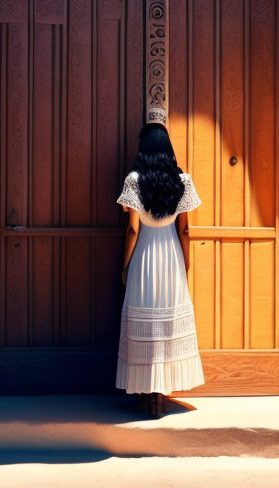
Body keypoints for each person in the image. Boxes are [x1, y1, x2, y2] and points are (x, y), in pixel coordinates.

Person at [115, 122, 205, 416]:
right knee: (166, 323)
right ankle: (161, 394)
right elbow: (186, 231)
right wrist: (186, 263)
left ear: (143, 147)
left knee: (144, 323)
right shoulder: (182, 181)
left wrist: (125, 266)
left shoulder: (133, 181)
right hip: (171, 257)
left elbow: (131, 230)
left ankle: (145, 393)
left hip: (144, 256)